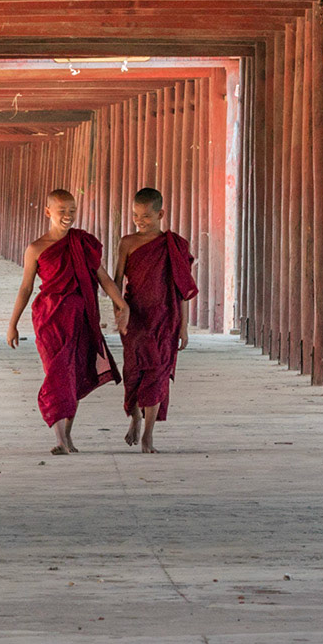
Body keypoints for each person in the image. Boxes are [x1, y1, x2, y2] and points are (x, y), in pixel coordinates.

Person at [6, 189, 128, 455]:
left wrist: (122, 304)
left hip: (82, 318)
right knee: (57, 372)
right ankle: (60, 438)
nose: (68, 216)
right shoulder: (36, 248)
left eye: (72, 211)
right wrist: (12, 323)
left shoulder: (83, 242)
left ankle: (67, 437)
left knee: (73, 375)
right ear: (48, 212)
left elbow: (104, 278)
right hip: (50, 319)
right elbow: (26, 288)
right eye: (62, 211)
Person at [115, 187, 198, 453]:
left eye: (147, 216)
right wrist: (120, 309)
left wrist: (184, 327)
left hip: (165, 318)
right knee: (133, 373)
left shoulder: (175, 246)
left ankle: (148, 433)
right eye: (136, 216)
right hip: (136, 317)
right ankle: (135, 418)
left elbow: (181, 290)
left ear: (161, 213)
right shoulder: (127, 243)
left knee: (158, 374)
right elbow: (116, 281)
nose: (140, 221)